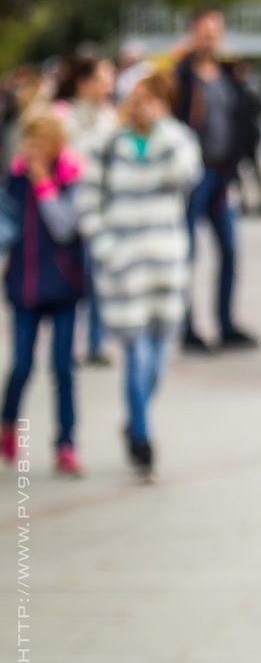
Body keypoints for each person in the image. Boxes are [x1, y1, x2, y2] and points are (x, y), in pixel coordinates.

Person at [77, 75, 202, 480]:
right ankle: (142, 439)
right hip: (124, 264)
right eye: (135, 98)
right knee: (136, 352)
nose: (140, 106)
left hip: (165, 261)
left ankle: (136, 417)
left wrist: (163, 128)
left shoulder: (176, 140)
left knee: (160, 352)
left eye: (150, 100)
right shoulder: (108, 145)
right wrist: (105, 249)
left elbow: (185, 174)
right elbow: (87, 202)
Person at [3, 112, 89, 476]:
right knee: (22, 364)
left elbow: (65, 227)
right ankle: (8, 423)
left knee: (63, 368)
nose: (32, 150)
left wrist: (44, 185)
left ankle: (66, 442)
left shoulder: (73, 181)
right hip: (24, 285)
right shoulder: (13, 180)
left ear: (56, 146)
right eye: (28, 142)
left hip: (64, 286)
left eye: (40, 143)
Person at [170, 6, 258, 351]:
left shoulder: (227, 75)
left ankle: (226, 323)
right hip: (193, 174)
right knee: (186, 252)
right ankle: (186, 327)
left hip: (222, 173)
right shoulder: (180, 75)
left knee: (230, 250)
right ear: (192, 33)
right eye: (203, 32)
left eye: (214, 32)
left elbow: (242, 119)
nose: (209, 38)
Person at [52, 55, 120, 365]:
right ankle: (72, 341)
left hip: (102, 205)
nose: (109, 85)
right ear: (84, 82)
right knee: (71, 274)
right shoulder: (61, 115)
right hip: (68, 203)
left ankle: (96, 340)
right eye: (103, 79)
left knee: (98, 273)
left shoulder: (110, 115)